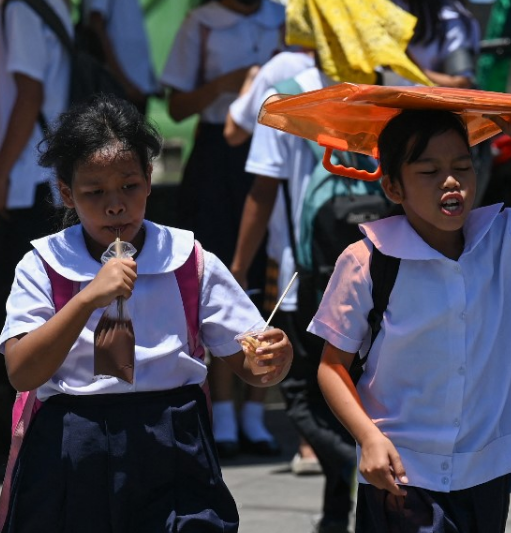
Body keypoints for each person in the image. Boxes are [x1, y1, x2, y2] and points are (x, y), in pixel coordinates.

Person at [311, 109, 511, 531]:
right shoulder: (367, 260)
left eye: (461, 167)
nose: (450, 180)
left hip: (486, 471)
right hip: (401, 471)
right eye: (429, 170)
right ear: (393, 187)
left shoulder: (509, 237)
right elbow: (331, 367)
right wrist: (369, 437)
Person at [0, 95, 293, 532]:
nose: (115, 205)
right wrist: (85, 300)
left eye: (129, 186)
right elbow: (22, 373)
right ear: (66, 192)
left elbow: (249, 361)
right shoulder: (43, 264)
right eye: (94, 193)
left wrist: (273, 360)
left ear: (150, 179)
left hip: (174, 439)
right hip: (75, 444)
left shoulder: (189, 260)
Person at [161, 0, 286, 459]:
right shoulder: (202, 22)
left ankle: (257, 415)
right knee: (217, 275)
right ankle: (226, 416)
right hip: (218, 154)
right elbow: (175, 105)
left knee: (267, 272)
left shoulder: (281, 14)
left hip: (271, 144)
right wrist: (224, 86)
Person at [224, 47, 323, 476]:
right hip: (375, 250)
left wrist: (239, 265)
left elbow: (237, 138)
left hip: (302, 255)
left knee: (302, 364)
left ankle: (310, 444)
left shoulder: (287, 79)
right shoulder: (391, 75)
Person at [0, 0, 73, 471]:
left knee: (18, 325)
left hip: (26, 186)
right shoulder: (51, 5)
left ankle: (15, 447)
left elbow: (29, 92)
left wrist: (2, 173)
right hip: (35, 184)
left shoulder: (22, 10)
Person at [78, 0, 159, 113]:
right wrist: (124, 84)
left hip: (134, 87)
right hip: (116, 89)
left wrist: (149, 81)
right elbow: (95, 26)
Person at [398, 0, 481, 88]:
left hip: (418, 95)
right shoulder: (384, 9)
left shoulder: (449, 20)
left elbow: (461, 82)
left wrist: (410, 67)